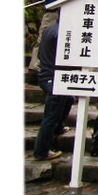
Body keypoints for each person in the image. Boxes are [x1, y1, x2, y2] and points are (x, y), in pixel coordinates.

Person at [32, 21, 74, 161]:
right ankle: (41, 151)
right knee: (50, 115)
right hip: (54, 76)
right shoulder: (61, 32)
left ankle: (59, 127)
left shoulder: (51, 28)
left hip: (48, 73)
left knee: (69, 99)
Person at [29, 0, 79, 72]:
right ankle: (35, 65)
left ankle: (59, 64)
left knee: (61, 39)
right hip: (50, 14)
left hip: (64, 14)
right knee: (42, 39)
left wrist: (64, 0)